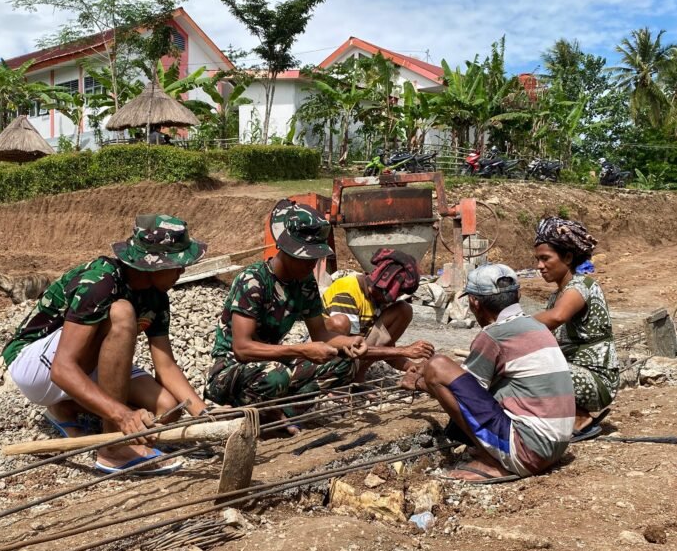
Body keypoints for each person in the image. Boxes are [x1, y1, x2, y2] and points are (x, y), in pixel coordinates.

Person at [2, 215, 210, 474]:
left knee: (166, 410)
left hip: (79, 365)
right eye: (177, 264)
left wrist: (204, 414)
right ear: (153, 264)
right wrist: (123, 416)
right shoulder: (101, 282)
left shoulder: (156, 297)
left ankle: (65, 408)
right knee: (122, 312)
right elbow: (62, 368)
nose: (182, 271)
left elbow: (165, 365)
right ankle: (113, 447)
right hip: (35, 364)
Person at [402, 264, 575, 483]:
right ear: (518, 295)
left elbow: (461, 392)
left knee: (437, 365)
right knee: (442, 369)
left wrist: (419, 382)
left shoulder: (494, 335)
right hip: (554, 447)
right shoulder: (535, 326)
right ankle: (497, 451)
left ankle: (492, 459)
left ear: (475, 302)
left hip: (528, 452)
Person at [206, 200, 366, 422]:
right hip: (231, 371)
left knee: (343, 363)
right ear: (286, 250)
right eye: (306, 257)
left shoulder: (305, 282)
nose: (312, 264)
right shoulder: (253, 281)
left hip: (272, 364)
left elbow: (321, 334)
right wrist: (301, 350)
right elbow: (242, 349)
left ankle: (283, 417)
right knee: (275, 376)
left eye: (315, 257)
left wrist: (349, 342)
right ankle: (248, 415)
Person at [531, 217, 620, 441]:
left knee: (531, 368)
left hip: (596, 381)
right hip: (575, 374)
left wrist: (510, 326)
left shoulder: (581, 286)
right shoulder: (556, 296)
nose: (539, 266)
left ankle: (580, 418)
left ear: (568, 257)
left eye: (545, 258)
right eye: (537, 259)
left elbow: (557, 317)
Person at [322, 248, 435, 381]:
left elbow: (384, 347)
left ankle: (357, 375)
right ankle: (335, 379)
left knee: (404, 310)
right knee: (340, 323)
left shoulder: (379, 297)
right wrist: (405, 350)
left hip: (358, 352)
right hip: (328, 353)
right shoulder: (346, 291)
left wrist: (412, 365)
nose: (393, 299)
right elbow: (353, 348)